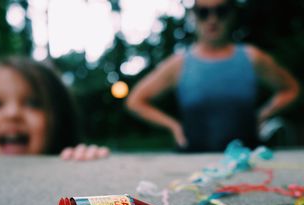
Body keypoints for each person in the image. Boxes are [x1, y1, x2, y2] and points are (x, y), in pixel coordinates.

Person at [127, 0, 299, 152]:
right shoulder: (179, 64)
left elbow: (291, 89)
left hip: (247, 158)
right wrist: (174, 126)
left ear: (231, 14)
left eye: (221, 11)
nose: (212, 19)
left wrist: (263, 114)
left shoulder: (252, 57)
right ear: (193, 16)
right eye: (203, 12)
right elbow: (135, 101)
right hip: (192, 161)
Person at [0, 56, 109, 160]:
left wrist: (86, 160)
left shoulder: (72, 160)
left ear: (61, 120)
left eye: (33, 103)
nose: (12, 113)